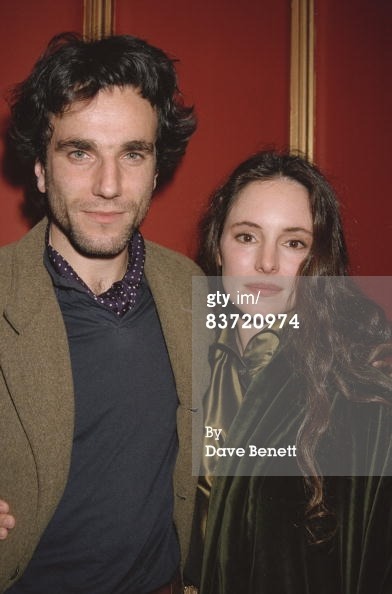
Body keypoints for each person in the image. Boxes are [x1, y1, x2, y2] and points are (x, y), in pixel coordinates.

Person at [0, 32, 206, 594]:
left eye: (132, 154)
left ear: (156, 169)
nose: (109, 186)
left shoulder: (191, 286)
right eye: (80, 152)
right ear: (40, 169)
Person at [194, 151, 392, 593]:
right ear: (218, 245)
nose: (267, 263)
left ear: (317, 259)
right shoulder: (173, 352)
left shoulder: (360, 390)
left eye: (293, 242)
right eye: (247, 236)